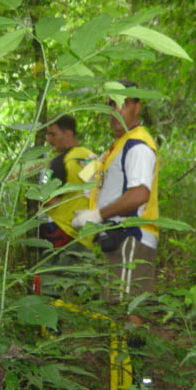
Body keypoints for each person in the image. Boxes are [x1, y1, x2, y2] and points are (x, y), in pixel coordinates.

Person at [72, 81, 159, 314]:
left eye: (122, 104)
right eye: (111, 104)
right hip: (115, 235)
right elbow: (94, 183)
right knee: (117, 303)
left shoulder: (137, 145)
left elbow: (140, 193)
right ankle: (121, 350)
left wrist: (98, 213)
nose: (115, 110)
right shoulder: (117, 146)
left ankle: (130, 350)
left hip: (132, 234)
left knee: (128, 307)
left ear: (136, 107)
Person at [38, 115, 94, 294]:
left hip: (59, 232)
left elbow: (48, 200)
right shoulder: (90, 157)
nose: (49, 139)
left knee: (49, 284)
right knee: (79, 288)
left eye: (52, 134)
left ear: (68, 133)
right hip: (85, 234)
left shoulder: (59, 162)